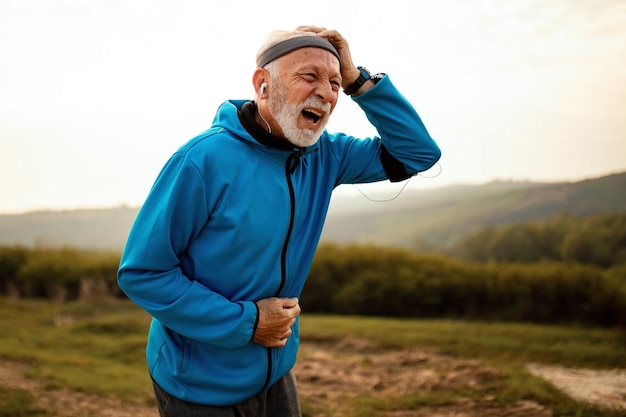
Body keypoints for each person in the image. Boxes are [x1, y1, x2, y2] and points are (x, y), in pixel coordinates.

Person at [117, 25, 441, 417]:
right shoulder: (203, 161)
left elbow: (418, 154)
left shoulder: (326, 155)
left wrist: (358, 79)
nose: (326, 92)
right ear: (263, 84)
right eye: (310, 76)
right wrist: (247, 323)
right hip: (196, 384)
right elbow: (143, 273)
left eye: (335, 83)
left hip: (275, 373)